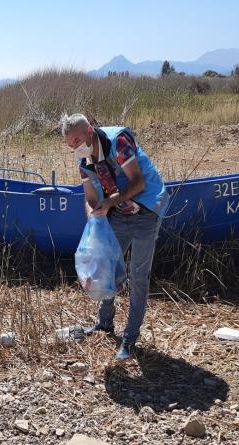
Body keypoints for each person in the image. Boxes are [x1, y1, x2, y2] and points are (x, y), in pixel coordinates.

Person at [62, 113, 169, 360]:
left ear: (89, 130)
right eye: (70, 145)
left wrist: (109, 203)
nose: (75, 147)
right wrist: (94, 219)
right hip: (119, 212)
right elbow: (89, 198)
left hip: (146, 209)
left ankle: (130, 340)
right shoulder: (85, 162)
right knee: (107, 266)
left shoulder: (119, 141)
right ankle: (104, 323)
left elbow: (138, 182)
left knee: (138, 277)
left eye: (77, 140)